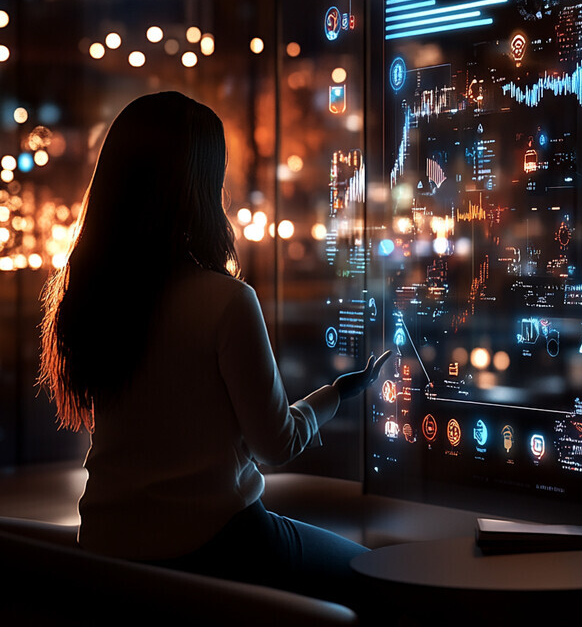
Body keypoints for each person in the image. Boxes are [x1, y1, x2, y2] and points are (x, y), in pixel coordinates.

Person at [37, 90, 390, 609]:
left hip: (108, 544)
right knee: (376, 577)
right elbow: (277, 443)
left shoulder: (92, 295)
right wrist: (338, 394)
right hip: (219, 545)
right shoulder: (226, 301)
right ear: (200, 185)